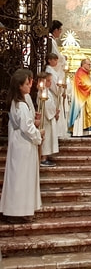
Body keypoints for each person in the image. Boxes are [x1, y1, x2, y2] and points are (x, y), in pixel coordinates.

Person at [0, 70, 44, 223]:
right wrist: (39, 135)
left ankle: (18, 210)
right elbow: (27, 127)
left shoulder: (15, 102)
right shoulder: (21, 105)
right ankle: (16, 211)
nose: (29, 85)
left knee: (19, 178)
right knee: (21, 179)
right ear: (19, 86)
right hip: (24, 146)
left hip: (19, 145)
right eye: (27, 83)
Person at [68, 59, 91, 136]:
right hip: (81, 98)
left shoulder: (86, 73)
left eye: (90, 65)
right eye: (88, 64)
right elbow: (80, 85)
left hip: (86, 96)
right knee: (82, 114)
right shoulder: (80, 73)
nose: (90, 66)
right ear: (83, 64)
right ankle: (80, 131)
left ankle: (87, 131)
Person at [37, 72, 59, 167]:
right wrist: (54, 113)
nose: (50, 83)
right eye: (48, 81)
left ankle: (45, 156)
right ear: (43, 81)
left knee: (49, 137)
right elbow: (46, 105)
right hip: (45, 119)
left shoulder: (47, 91)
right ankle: (43, 157)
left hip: (49, 117)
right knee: (46, 138)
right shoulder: (42, 91)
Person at [45, 53, 68, 139]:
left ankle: (59, 132)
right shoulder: (49, 70)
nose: (55, 62)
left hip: (57, 93)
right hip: (54, 94)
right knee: (57, 112)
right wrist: (61, 91)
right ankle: (57, 133)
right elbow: (54, 84)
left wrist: (63, 88)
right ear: (49, 60)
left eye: (56, 60)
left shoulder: (53, 70)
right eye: (53, 60)